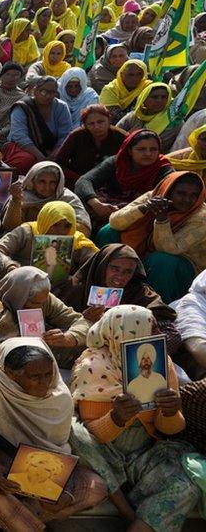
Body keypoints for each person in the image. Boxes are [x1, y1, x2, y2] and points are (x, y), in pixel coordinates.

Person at [69, 306, 199, 532]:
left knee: (187, 487)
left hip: (144, 453)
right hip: (103, 455)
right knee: (74, 432)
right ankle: (126, 510)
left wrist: (170, 412)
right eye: (152, 328)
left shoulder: (161, 362)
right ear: (126, 332)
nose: (157, 335)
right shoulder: (92, 366)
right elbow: (93, 435)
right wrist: (118, 417)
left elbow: (170, 430)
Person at [0, 339, 108, 531]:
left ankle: (22, 518)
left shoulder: (59, 398)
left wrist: (64, 491)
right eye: (35, 377)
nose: (45, 382)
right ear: (11, 375)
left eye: (48, 374)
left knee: (97, 488)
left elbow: (57, 451)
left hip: (41, 469)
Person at [96, 171, 206, 302]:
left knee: (161, 260)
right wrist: (143, 208)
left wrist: (161, 220)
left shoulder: (201, 216)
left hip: (180, 269)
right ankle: (101, 295)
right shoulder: (154, 196)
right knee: (108, 232)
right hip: (145, 254)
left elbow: (170, 249)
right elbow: (114, 221)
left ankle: (158, 309)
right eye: (181, 193)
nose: (187, 200)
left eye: (193, 195)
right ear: (169, 191)